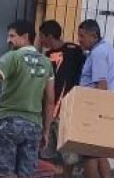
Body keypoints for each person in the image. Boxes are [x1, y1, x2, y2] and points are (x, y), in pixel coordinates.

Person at [0, 20, 55, 178]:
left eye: (12, 36)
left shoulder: (12, 57)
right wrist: (46, 130)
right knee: (26, 174)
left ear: (25, 37)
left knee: (3, 174)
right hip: (33, 126)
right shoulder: (46, 63)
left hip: (8, 122)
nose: (8, 40)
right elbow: (50, 100)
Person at [77, 19, 114, 178]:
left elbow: (102, 84)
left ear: (94, 35)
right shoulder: (108, 49)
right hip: (107, 107)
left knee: (88, 154)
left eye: (82, 36)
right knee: (100, 153)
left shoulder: (98, 53)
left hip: (95, 109)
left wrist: (95, 115)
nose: (79, 39)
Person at [38, 20, 85, 178]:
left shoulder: (74, 51)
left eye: (41, 37)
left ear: (49, 36)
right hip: (49, 111)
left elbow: (84, 76)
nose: (40, 40)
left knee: (69, 156)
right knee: (46, 151)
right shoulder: (45, 56)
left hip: (68, 112)